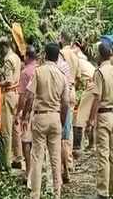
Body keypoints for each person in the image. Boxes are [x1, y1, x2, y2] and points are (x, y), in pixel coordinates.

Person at [21, 43, 69, 199]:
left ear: (45, 55)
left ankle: (35, 194)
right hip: (55, 117)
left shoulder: (39, 72)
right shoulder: (62, 76)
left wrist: (25, 116)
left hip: (40, 117)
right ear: (57, 57)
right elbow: (66, 102)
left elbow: (29, 96)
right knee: (55, 159)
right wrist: (61, 121)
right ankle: (57, 194)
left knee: (37, 157)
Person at [87, 42, 113, 199]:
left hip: (103, 115)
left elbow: (96, 97)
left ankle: (103, 191)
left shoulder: (100, 72)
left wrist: (91, 118)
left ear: (99, 55)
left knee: (103, 154)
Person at [0, 36, 22, 169]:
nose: (0, 52)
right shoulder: (16, 57)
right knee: (16, 127)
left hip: (9, 94)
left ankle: (6, 163)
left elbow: (9, 80)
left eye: (1, 49)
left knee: (6, 130)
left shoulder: (8, 60)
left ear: (4, 47)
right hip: (16, 94)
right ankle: (18, 157)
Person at [59, 32, 81, 176]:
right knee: (70, 129)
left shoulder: (60, 54)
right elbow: (79, 77)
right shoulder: (75, 55)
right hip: (72, 90)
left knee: (63, 132)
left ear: (62, 39)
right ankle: (70, 163)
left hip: (64, 92)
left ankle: (64, 166)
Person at [15, 45, 37, 180]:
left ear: (27, 57)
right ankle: (35, 171)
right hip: (40, 110)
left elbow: (23, 96)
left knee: (26, 141)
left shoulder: (25, 72)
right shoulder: (39, 69)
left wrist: (19, 113)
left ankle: (29, 171)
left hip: (29, 111)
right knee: (36, 142)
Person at [71, 41, 97, 156]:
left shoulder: (77, 60)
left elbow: (75, 78)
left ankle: (76, 147)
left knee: (80, 117)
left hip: (91, 85)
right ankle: (91, 144)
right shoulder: (83, 60)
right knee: (92, 115)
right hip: (93, 84)